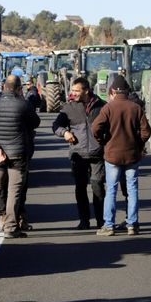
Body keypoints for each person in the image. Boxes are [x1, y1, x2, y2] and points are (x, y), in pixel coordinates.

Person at [0, 75, 40, 238]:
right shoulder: (23, 104)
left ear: (4, 87)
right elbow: (36, 122)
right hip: (18, 154)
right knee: (14, 191)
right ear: (20, 89)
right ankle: (11, 227)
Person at [92, 75, 151, 236]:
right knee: (132, 189)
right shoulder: (136, 108)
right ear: (127, 91)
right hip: (132, 154)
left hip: (112, 155)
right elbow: (146, 131)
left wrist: (103, 140)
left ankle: (109, 225)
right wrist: (139, 144)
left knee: (111, 189)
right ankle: (132, 224)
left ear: (112, 91)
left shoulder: (108, 108)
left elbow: (96, 127)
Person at [52, 77, 106, 230]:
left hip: (97, 154)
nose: (73, 93)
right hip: (78, 155)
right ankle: (84, 221)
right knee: (80, 188)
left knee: (98, 187)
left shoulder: (102, 106)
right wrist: (64, 133)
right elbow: (56, 125)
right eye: (72, 90)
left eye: (76, 90)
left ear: (86, 91)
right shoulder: (68, 108)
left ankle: (102, 221)